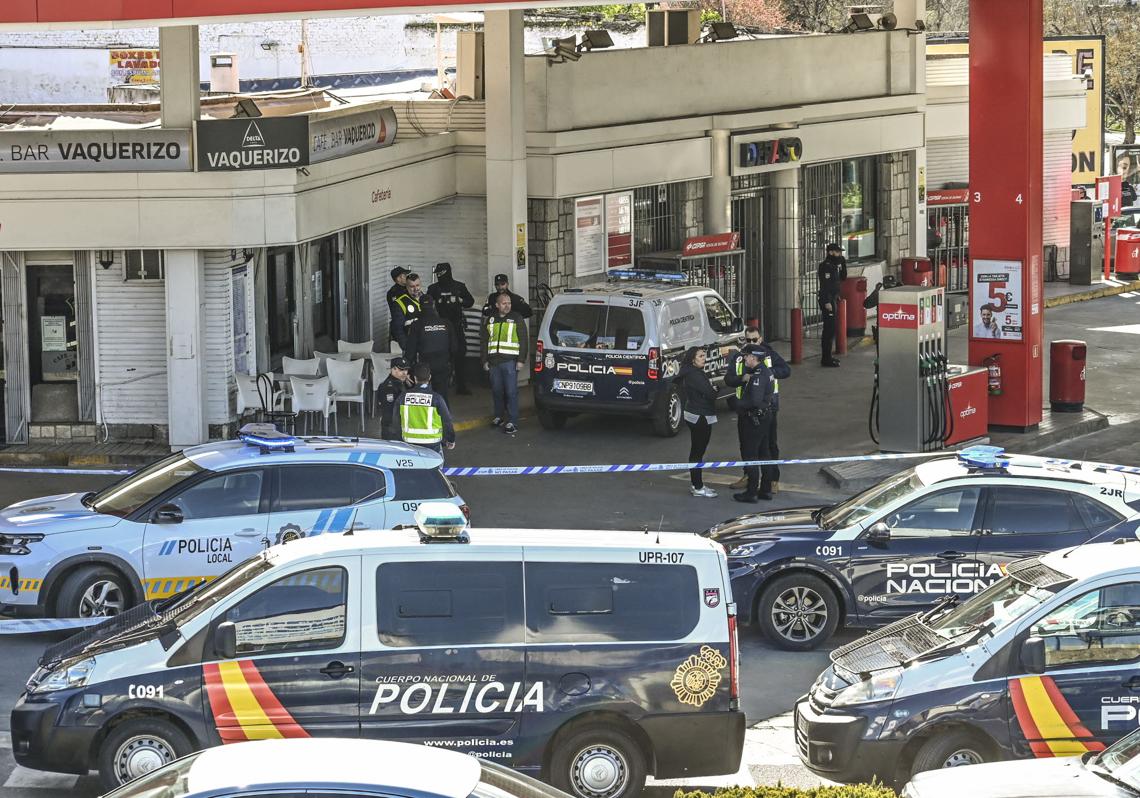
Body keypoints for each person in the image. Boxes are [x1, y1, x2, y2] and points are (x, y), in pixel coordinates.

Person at [482, 292, 528, 436]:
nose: (507, 306)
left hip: (510, 361)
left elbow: (523, 340)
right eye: (504, 303)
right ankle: (499, 416)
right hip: (494, 362)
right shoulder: (490, 320)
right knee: (496, 391)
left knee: (511, 392)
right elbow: (484, 341)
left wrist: (521, 360)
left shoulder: (516, 318)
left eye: (509, 303)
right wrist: (484, 360)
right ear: (497, 305)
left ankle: (512, 421)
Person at [734, 344, 776, 504]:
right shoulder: (766, 371)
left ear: (753, 357)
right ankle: (765, 490)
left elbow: (755, 400)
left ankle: (751, 492)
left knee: (751, 455)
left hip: (754, 420)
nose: (744, 358)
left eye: (746, 356)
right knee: (764, 453)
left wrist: (739, 404)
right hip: (765, 417)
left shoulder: (758, 376)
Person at [428, 262, 476, 395]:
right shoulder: (433, 288)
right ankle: (440, 386)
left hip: (456, 326)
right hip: (439, 328)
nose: (438, 276)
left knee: (460, 354)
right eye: (437, 274)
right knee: (441, 356)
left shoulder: (459, 286)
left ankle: (461, 385)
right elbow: (426, 304)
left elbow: (470, 301)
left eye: (441, 273)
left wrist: (460, 300)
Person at [678, 347, 718, 498]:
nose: (704, 358)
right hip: (701, 416)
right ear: (692, 359)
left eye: (704, 355)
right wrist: (715, 389)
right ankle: (698, 486)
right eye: (701, 356)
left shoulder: (689, 373)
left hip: (693, 414)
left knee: (696, 451)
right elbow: (711, 394)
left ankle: (696, 484)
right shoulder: (696, 375)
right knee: (698, 452)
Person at [404, 294, 459, 403]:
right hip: (443, 364)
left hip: (424, 367)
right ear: (433, 305)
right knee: (442, 397)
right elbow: (454, 348)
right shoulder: (446, 323)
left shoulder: (416, 325)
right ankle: (443, 418)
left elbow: (410, 350)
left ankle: (426, 419)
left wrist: (407, 369)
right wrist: (452, 366)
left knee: (423, 397)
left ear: (419, 307)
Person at [395, 362, 456, 455]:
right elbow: (447, 421)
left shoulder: (403, 397)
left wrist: (400, 439)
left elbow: (396, 420)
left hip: (409, 442)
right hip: (432, 443)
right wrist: (450, 440)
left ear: (414, 378)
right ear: (430, 377)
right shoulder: (436, 398)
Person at [817, 242, 847, 367]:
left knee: (832, 329)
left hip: (833, 299)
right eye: (837, 252)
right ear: (830, 252)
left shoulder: (835, 266)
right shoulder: (825, 266)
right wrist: (827, 302)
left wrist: (843, 264)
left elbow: (843, 278)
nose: (839, 254)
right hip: (827, 300)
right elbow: (825, 286)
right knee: (828, 330)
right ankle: (826, 358)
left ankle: (828, 356)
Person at [375, 357, 412, 441]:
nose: (405, 373)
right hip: (392, 427)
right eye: (401, 370)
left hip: (398, 425)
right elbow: (390, 409)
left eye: (406, 370)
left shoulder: (401, 383)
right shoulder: (388, 386)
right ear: (393, 369)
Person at [391, 272, 424, 351]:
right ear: (406, 287)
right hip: (410, 345)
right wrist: (406, 347)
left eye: (417, 285)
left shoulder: (427, 299)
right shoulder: (400, 302)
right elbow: (398, 329)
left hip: (425, 344)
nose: (416, 289)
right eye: (412, 286)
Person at [386, 267, 410, 343]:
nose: (407, 277)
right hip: (400, 327)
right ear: (398, 279)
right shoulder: (394, 292)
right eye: (404, 275)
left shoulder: (409, 288)